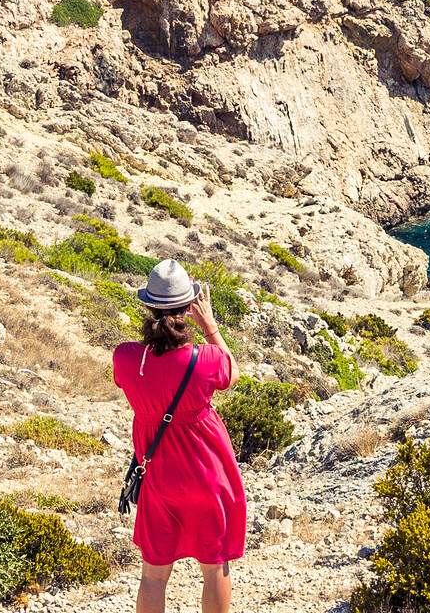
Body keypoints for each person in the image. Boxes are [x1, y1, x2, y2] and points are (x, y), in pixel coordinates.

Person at [113, 260, 246, 613]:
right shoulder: (205, 360)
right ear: (188, 307)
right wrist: (210, 325)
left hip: (158, 478)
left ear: (147, 306)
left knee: (154, 575)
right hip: (207, 476)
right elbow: (232, 375)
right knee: (215, 566)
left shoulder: (127, 359)